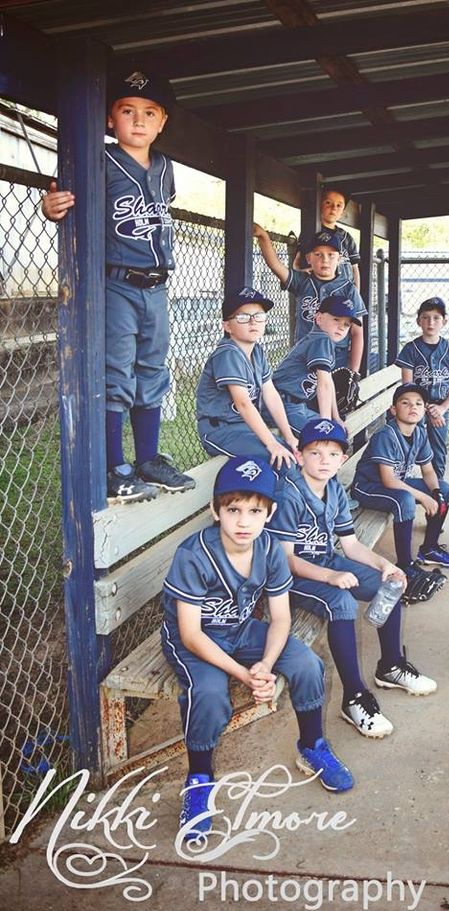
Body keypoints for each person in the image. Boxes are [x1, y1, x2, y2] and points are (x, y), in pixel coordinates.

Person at [161, 456, 354, 840]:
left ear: (271, 512)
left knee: (306, 664)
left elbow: (280, 618)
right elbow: (191, 636)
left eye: (255, 510)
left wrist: (265, 663)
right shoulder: (194, 554)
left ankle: (312, 745)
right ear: (215, 510)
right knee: (210, 693)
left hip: (242, 629)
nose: (244, 521)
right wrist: (243, 675)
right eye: (233, 509)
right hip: (198, 640)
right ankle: (199, 779)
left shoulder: (268, 548)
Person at [41, 69, 195, 502]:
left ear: (162, 122)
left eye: (149, 112)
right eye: (128, 111)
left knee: (153, 370)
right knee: (117, 375)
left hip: (159, 286)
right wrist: (53, 208)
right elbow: (63, 202)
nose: (139, 120)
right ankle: (116, 466)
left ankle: (148, 459)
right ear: (110, 119)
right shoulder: (99, 159)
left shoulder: (165, 168)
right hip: (118, 284)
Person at [267, 418, 436, 739]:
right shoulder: (289, 493)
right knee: (341, 602)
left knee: (392, 584)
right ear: (299, 455)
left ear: (343, 459)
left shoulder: (333, 488)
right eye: (315, 453)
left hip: (327, 561)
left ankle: (391, 665)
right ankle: (354, 697)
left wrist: (384, 565)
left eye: (332, 454)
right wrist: (331, 575)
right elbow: (284, 560)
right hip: (288, 579)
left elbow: (351, 544)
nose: (324, 461)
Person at [351, 383, 449, 598]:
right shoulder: (386, 434)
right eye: (406, 403)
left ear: (424, 409)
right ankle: (405, 563)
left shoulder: (420, 432)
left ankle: (429, 548)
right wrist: (422, 496)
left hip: (394, 485)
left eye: (419, 404)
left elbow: (428, 471)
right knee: (405, 500)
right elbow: (389, 480)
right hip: (369, 487)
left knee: (445, 489)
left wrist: (436, 493)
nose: (413, 407)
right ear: (394, 410)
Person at [196, 286, 298, 469]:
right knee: (281, 461)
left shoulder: (257, 351)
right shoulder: (228, 353)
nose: (253, 322)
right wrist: (272, 443)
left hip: (244, 428)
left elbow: (271, 395)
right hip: (221, 430)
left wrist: (289, 436)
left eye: (259, 316)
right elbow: (243, 403)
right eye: (243, 317)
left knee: (294, 453)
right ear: (227, 326)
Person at [253, 222, 366, 371]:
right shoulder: (303, 282)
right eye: (318, 254)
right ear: (309, 258)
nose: (325, 260)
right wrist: (263, 237)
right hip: (304, 359)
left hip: (336, 360)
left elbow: (357, 332)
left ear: (339, 259)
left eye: (331, 255)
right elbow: (276, 266)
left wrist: (353, 372)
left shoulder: (348, 289)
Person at [395, 296, 449, 479]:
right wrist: (427, 409)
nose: (430, 322)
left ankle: (438, 484)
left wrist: (441, 409)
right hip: (415, 406)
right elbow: (408, 387)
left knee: (438, 447)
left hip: (442, 406)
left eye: (436, 318)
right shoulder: (411, 349)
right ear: (418, 321)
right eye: (425, 317)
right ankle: (404, 478)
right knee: (409, 441)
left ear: (444, 321)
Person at [269, 295, 360, 436]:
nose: (341, 327)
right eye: (336, 319)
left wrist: (335, 417)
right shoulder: (321, 340)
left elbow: (328, 382)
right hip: (280, 405)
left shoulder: (323, 340)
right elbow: (323, 384)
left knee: (335, 434)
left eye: (347, 324)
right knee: (324, 437)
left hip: (296, 406)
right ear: (319, 318)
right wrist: (326, 422)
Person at [292, 186, 360, 287]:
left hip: (345, 291)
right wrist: (301, 271)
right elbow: (296, 262)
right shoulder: (310, 232)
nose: (333, 208)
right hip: (320, 289)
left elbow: (355, 268)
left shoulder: (346, 237)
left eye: (339, 205)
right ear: (320, 205)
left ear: (342, 212)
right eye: (328, 203)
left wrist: (356, 294)